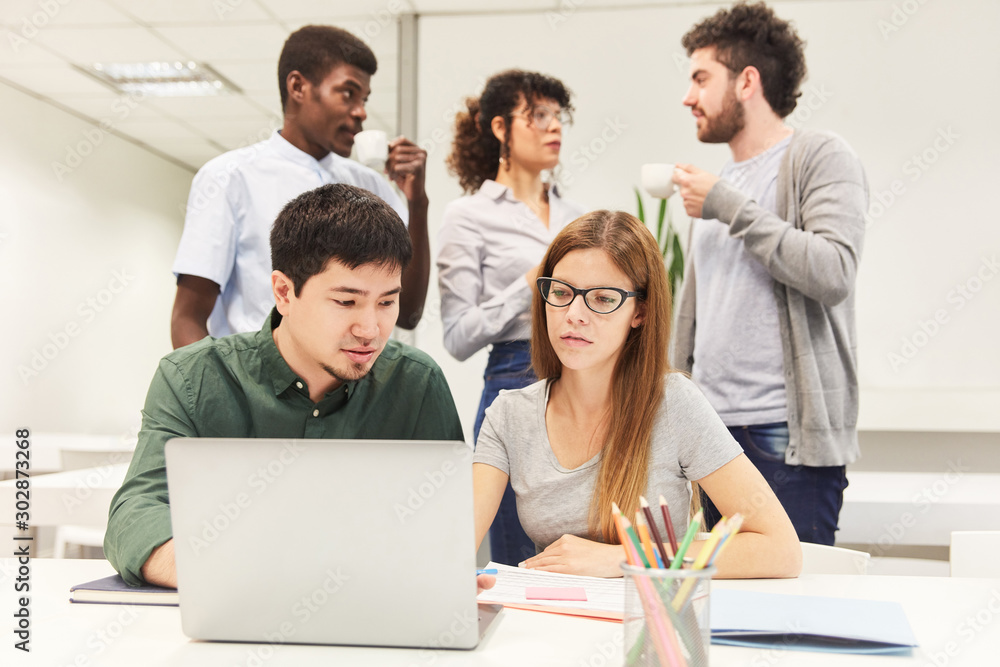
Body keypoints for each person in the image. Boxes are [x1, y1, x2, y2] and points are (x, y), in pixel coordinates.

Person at [106, 184, 470, 590]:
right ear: (284, 292)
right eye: (346, 302)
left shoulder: (417, 383)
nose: (370, 330)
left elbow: (447, 523)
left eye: (386, 302)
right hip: (235, 611)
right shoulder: (193, 378)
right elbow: (135, 515)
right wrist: (238, 572)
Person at [472, 210, 801, 578]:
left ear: (640, 312)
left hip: (655, 623)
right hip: (559, 626)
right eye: (561, 292)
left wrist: (623, 558)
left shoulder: (674, 402)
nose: (574, 314)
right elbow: (453, 546)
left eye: (602, 298)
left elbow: (781, 548)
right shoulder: (508, 415)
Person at [670, 2, 869, 545]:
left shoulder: (819, 156)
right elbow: (692, 315)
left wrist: (728, 205)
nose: (688, 97)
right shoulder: (717, 188)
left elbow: (832, 271)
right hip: (711, 435)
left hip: (784, 438)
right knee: (720, 613)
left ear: (747, 81)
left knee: (788, 617)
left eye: (701, 78)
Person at [170, 25, 430, 347]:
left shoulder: (371, 185)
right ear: (298, 87)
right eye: (348, 93)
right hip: (257, 385)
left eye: (364, 98)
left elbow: (409, 315)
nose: (361, 111)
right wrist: (218, 394)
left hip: (355, 389)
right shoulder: (229, 177)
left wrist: (418, 204)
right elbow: (188, 318)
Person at [438, 70, 585, 567]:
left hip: (589, 386)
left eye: (557, 116)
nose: (554, 127)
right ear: (500, 127)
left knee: (586, 551)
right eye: (538, 115)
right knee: (515, 562)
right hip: (514, 384)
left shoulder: (578, 218)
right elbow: (457, 336)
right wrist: (531, 284)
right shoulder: (467, 216)